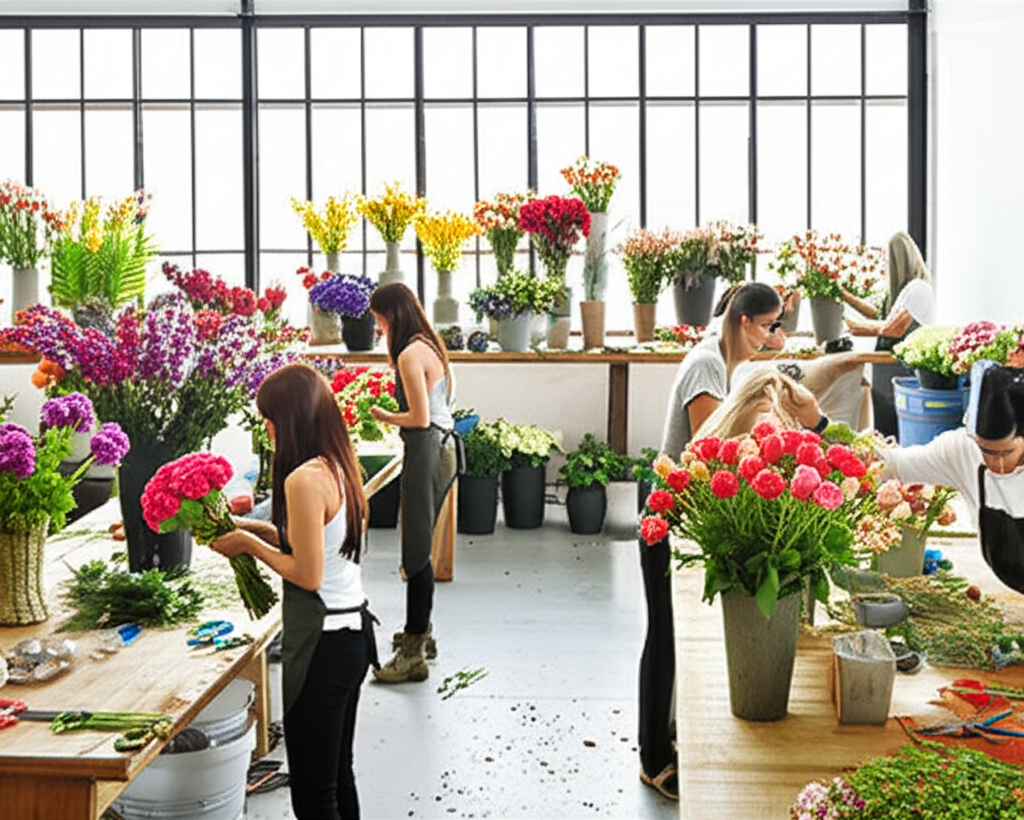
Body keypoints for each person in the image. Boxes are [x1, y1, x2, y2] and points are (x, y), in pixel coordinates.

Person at [639, 282, 825, 801]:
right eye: (767, 326)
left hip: (681, 511)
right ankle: (654, 758)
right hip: (665, 512)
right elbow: (708, 448)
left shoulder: (725, 360)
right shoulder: (706, 364)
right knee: (664, 635)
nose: (771, 336)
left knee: (671, 636)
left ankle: (666, 740)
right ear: (743, 320)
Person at [211, 362, 375, 820]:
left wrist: (246, 546)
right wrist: (251, 528)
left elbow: (307, 574)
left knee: (313, 796)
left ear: (288, 419)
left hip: (322, 648)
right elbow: (314, 543)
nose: (266, 428)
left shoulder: (302, 478)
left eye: (269, 418)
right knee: (338, 777)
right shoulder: (338, 464)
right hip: (353, 637)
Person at [367, 282, 458, 683]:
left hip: (427, 447)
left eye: (379, 319)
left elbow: (419, 418)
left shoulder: (408, 353)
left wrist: (382, 415)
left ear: (392, 315)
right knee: (418, 545)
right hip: (441, 446)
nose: (378, 328)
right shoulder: (429, 344)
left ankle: (412, 654)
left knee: (416, 550)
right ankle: (422, 629)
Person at [877, 363, 1024, 594]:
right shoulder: (962, 449)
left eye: (1007, 452)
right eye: (987, 452)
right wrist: (824, 428)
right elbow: (894, 464)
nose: (999, 464)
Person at [842, 231, 935, 439]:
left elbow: (895, 328)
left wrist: (860, 328)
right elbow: (877, 312)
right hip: (886, 368)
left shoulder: (918, 288)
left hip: (900, 369)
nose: (885, 264)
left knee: (895, 427)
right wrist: (844, 296)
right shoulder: (903, 291)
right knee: (885, 425)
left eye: (888, 258)